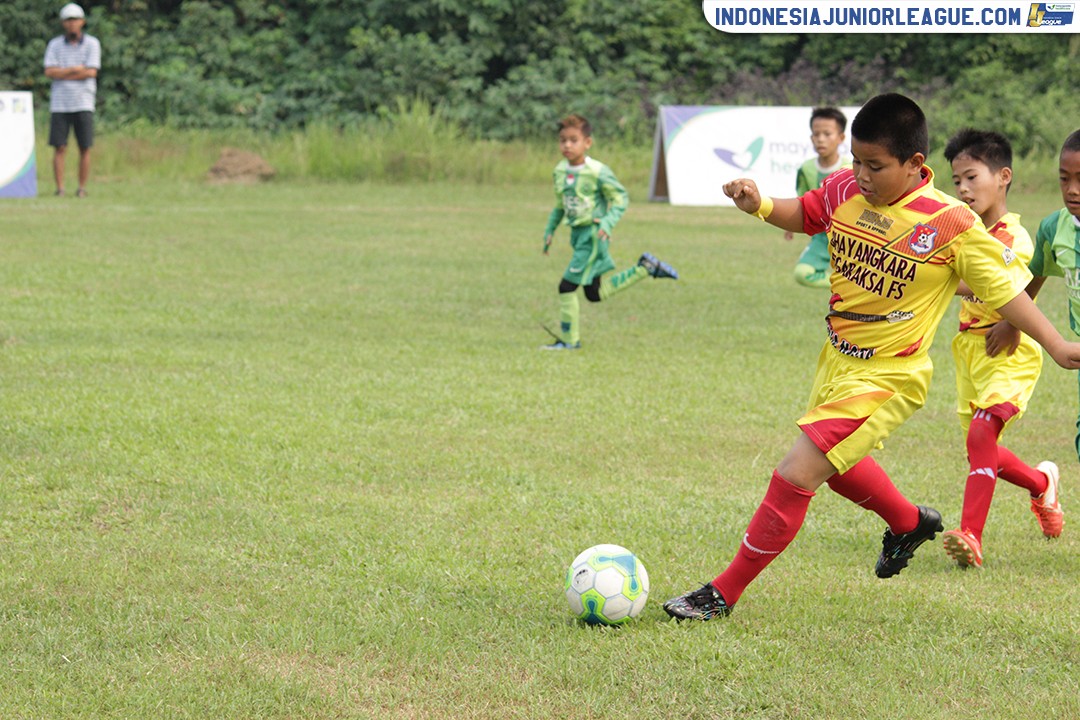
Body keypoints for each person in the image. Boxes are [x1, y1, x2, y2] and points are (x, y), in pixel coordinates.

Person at [663, 94, 1080, 621]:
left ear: (915, 166)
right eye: (856, 160)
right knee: (838, 469)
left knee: (797, 471)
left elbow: (1008, 292)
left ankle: (722, 593)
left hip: (891, 375)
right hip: (836, 360)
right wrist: (761, 205)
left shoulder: (950, 224)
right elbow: (809, 212)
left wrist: (1057, 343)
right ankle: (909, 523)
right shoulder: (845, 188)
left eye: (874, 165)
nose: (859, 173)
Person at [939, 129, 1063, 569]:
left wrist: (1011, 322)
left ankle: (971, 534)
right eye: (956, 182)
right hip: (970, 349)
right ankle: (1040, 483)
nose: (963, 189)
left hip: (1010, 351)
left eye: (972, 177)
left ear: (1003, 177)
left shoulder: (1014, 236)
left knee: (981, 433)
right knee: (982, 447)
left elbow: (994, 284)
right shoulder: (963, 230)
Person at [540, 114, 678, 350]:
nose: (567, 145)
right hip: (577, 236)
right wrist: (550, 230)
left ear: (587, 143)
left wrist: (607, 223)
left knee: (566, 287)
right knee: (593, 294)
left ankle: (570, 341)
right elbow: (561, 205)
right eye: (563, 140)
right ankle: (644, 268)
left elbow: (620, 198)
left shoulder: (597, 171)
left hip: (593, 237)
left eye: (574, 140)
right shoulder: (560, 171)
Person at [1027, 128, 1080, 458]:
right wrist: (1010, 324)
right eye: (1064, 179)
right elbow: (1035, 275)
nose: (1072, 190)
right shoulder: (1054, 228)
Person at [784, 107, 849, 289]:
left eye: (827, 134)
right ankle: (841, 285)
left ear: (841, 138)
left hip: (850, 236)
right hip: (822, 236)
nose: (820, 139)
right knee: (802, 274)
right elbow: (802, 199)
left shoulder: (850, 168)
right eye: (816, 134)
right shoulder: (806, 169)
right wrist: (789, 223)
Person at [43, 3, 101, 198]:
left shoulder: (92, 43)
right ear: (63, 23)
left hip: (83, 102)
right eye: (68, 20)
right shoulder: (54, 45)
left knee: (84, 146)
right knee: (59, 146)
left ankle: (81, 188)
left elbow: (91, 71)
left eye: (75, 20)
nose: (72, 24)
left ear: (82, 22)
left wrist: (63, 72)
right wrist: (77, 69)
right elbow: (50, 71)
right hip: (60, 103)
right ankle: (60, 188)